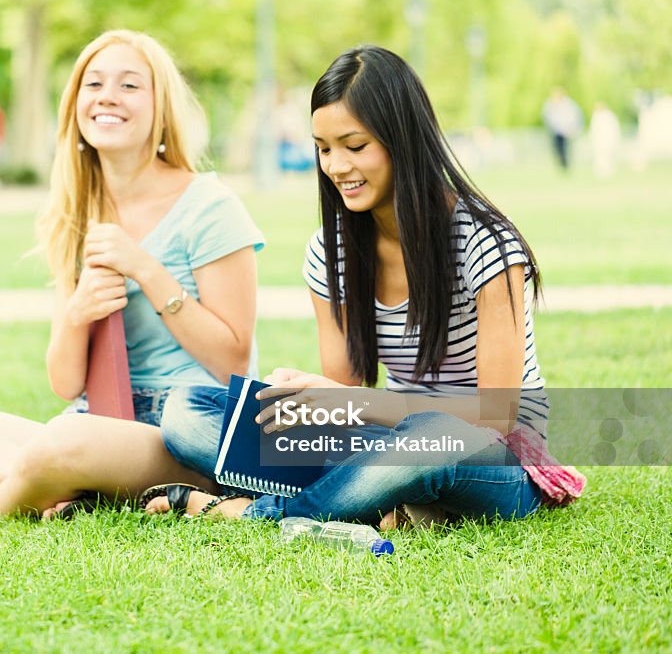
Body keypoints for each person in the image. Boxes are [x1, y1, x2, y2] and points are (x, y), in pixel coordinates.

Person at [147, 45, 585, 528]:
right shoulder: (329, 254)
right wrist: (304, 400)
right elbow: (346, 398)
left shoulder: (486, 244)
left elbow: (496, 415)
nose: (335, 166)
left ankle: (262, 513)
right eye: (324, 148)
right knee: (188, 412)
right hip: (386, 442)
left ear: (404, 140)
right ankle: (396, 503)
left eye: (355, 146)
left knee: (430, 436)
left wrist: (354, 404)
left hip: (490, 461)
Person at [0, 29, 265, 516]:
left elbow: (233, 361)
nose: (107, 97)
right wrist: (78, 311)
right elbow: (64, 384)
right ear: (75, 104)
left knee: (65, 438)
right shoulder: (75, 212)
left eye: (129, 85)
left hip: (183, 430)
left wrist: (145, 268)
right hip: (93, 418)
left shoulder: (209, 206)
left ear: (160, 106)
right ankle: (67, 485)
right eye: (93, 84)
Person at [542, 88, 583, 172]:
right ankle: (561, 165)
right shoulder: (550, 104)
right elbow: (547, 117)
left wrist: (572, 128)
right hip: (556, 131)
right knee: (557, 149)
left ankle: (565, 166)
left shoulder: (568, 104)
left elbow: (574, 116)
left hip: (566, 131)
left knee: (565, 149)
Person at [588, 102, 620, 179]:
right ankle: (601, 172)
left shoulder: (609, 116)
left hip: (607, 140)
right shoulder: (596, 116)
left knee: (608, 156)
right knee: (600, 157)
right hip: (598, 141)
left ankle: (608, 172)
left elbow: (613, 130)